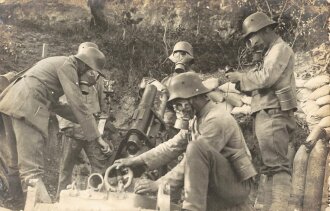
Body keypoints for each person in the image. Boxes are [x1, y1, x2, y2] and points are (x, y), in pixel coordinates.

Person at [115, 72, 257, 211]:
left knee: (196, 148)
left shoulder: (216, 120)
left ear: (192, 98)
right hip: (219, 183)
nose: (177, 109)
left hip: (238, 185)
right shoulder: (197, 119)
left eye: (178, 104)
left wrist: (160, 184)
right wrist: (136, 161)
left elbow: (191, 161)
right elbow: (171, 146)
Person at [0, 45, 112, 207]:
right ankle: (44, 207)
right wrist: (97, 137)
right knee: (32, 170)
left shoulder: (58, 63)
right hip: (27, 107)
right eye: (92, 72)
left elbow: (56, 105)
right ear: (86, 66)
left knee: (14, 162)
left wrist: (89, 122)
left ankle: (16, 204)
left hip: (9, 104)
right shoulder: (68, 66)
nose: (92, 77)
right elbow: (77, 103)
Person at [226, 11, 297, 211]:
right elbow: (263, 80)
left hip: (273, 112)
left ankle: (279, 207)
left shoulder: (280, 49)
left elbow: (266, 78)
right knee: (269, 166)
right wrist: (241, 81)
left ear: (265, 30)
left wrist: (240, 77)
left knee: (277, 166)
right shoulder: (271, 52)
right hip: (268, 112)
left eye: (252, 37)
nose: (251, 44)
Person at [56, 42, 113, 197]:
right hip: (71, 129)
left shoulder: (98, 79)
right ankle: (60, 201)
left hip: (91, 130)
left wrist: (98, 130)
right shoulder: (69, 72)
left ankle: (96, 198)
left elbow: (104, 106)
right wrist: (65, 126)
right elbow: (62, 103)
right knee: (66, 169)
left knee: (99, 166)